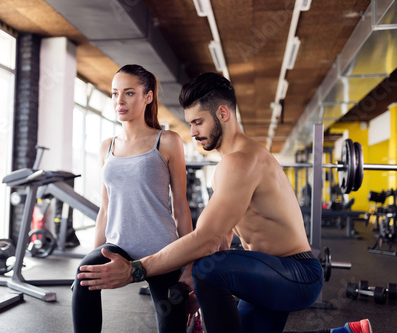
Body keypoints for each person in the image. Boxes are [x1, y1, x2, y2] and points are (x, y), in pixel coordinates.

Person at [77, 72, 372, 333]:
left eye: (198, 122)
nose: (192, 132)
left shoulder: (242, 161)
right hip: (267, 273)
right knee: (215, 282)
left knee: (209, 268)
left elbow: (206, 239)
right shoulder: (230, 162)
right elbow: (225, 232)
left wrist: (136, 269)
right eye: (190, 123)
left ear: (223, 113)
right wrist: (195, 286)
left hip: (295, 273)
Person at [71, 64, 194, 333]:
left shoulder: (168, 141)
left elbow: (181, 208)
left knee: (171, 323)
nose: (119, 101)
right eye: (115, 94)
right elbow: (105, 208)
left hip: (162, 251)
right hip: (118, 246)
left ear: (147, 96)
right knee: (84, 276)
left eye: (128, 93)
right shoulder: (108, 146)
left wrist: (189, 266)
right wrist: (95, 256)